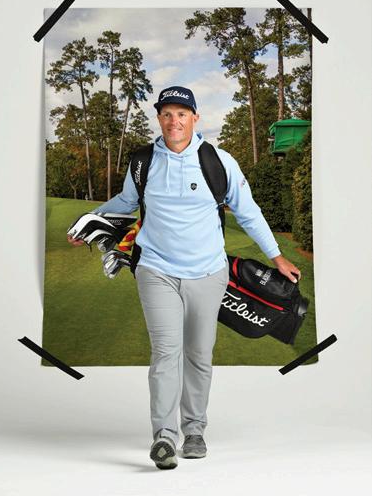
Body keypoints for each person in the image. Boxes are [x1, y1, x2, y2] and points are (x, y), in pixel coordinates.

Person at [67, 86, 301, 470]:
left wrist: (276, 256)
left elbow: (248, 211)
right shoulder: (143, 161)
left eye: (181, 114)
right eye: (166, 114)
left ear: (194, 118)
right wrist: (89, 221)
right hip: (155, 270)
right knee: (165, 353)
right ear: (159, 118)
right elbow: (126, 203)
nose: (173, 121)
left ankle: (194, 431)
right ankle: (164, 436)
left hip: (208, 274)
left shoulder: (219, 161)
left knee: (199, 354)